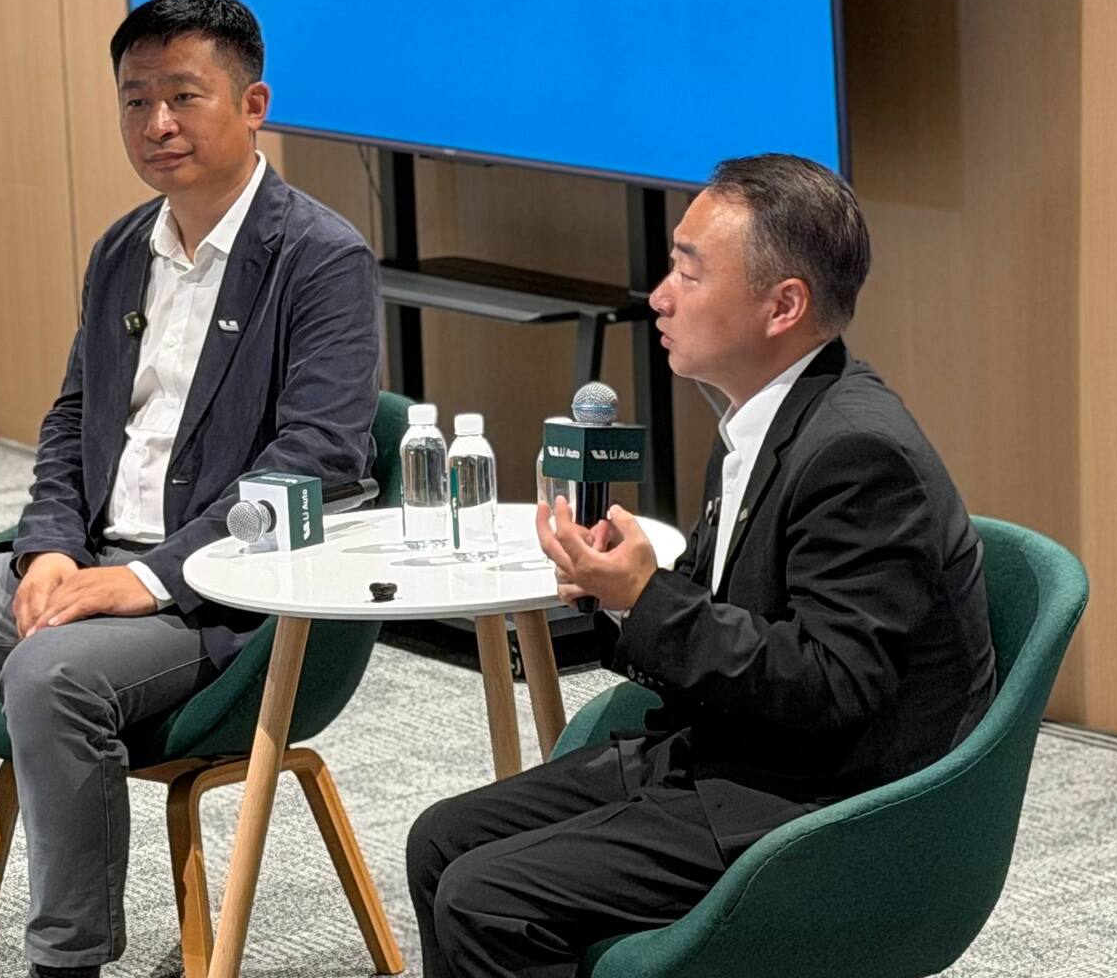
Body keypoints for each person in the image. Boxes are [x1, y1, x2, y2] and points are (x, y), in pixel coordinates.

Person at [0, 0, 381, 978]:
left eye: (184, 97)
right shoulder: (122, 249)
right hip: (92, 562)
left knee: (50, 673)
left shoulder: (320, 258)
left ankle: (66, 965)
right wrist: (47, 549)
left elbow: (316, 462)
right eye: (135, 100)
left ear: (253, 105)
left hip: (221, 597)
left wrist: (148, 579)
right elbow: (71, 425)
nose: (157, 124)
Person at [407, 153, 996, 978]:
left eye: (688, 272)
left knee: (486, 899)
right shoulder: (759, 421)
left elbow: (833, 686)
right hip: (727, 747)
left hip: (817, 799)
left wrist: (648, 596)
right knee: (440, 840)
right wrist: (622, 595)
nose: (659, 296)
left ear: (783, 305)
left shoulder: (860, 453)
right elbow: (738, 621)